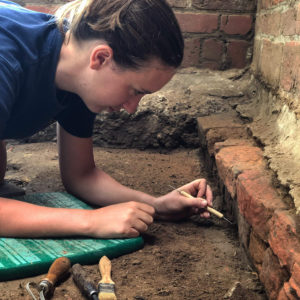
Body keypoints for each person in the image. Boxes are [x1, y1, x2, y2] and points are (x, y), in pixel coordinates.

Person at [0, 0, 213, 238]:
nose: (132, 108)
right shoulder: (7, 61)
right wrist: (91, 221)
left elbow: (81, 176)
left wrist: (156, 204)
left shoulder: (79, 77)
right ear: (101, 58)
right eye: (134, 90)